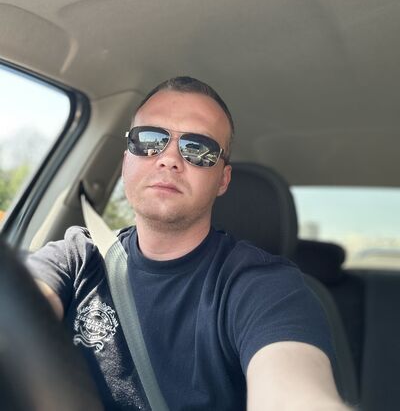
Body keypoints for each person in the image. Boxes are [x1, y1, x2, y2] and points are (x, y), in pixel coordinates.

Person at [27, 76, 351, 410]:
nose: (168, 158)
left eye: (198, 148)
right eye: (149, 139)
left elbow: (293, 391)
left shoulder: (264, 287)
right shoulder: (75, 258)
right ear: (126, 160)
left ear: (222, 179)